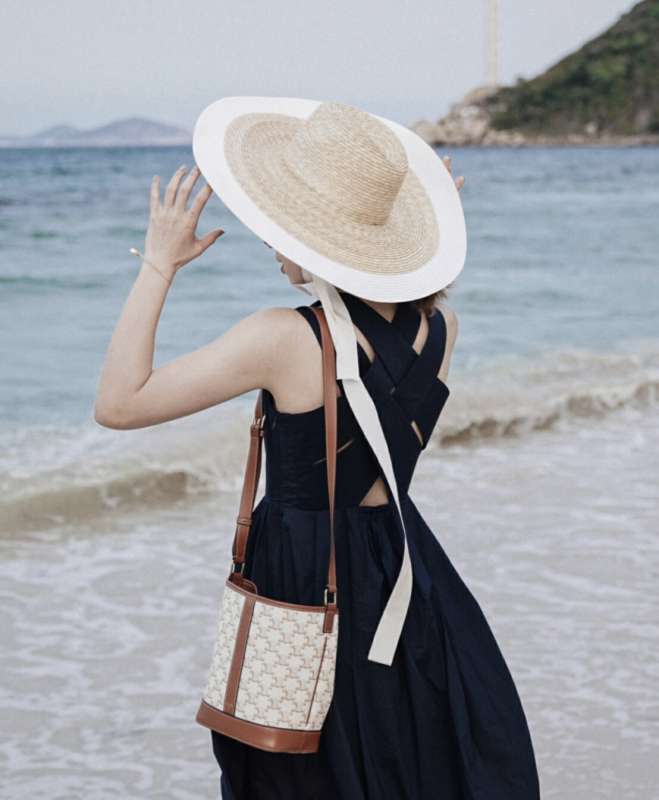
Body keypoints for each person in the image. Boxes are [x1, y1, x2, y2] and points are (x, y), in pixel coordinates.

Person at [95, 97, 540, 799]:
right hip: (402, 566)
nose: (267, 235)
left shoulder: (282, 337)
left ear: (317, 241)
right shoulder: (440, 329)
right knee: (406, 757)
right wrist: (415, 248)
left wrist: (158, 265)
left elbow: (119, 405)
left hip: (304, 575)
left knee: (303, 768)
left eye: (280, 220)